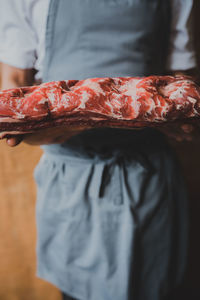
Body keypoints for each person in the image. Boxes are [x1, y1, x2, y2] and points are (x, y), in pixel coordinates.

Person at [0, 1, 197, 299]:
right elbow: (13, 97)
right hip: (71, 179)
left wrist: (176, 118)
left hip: (148, 177)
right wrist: (63, 124)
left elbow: (182, 89)